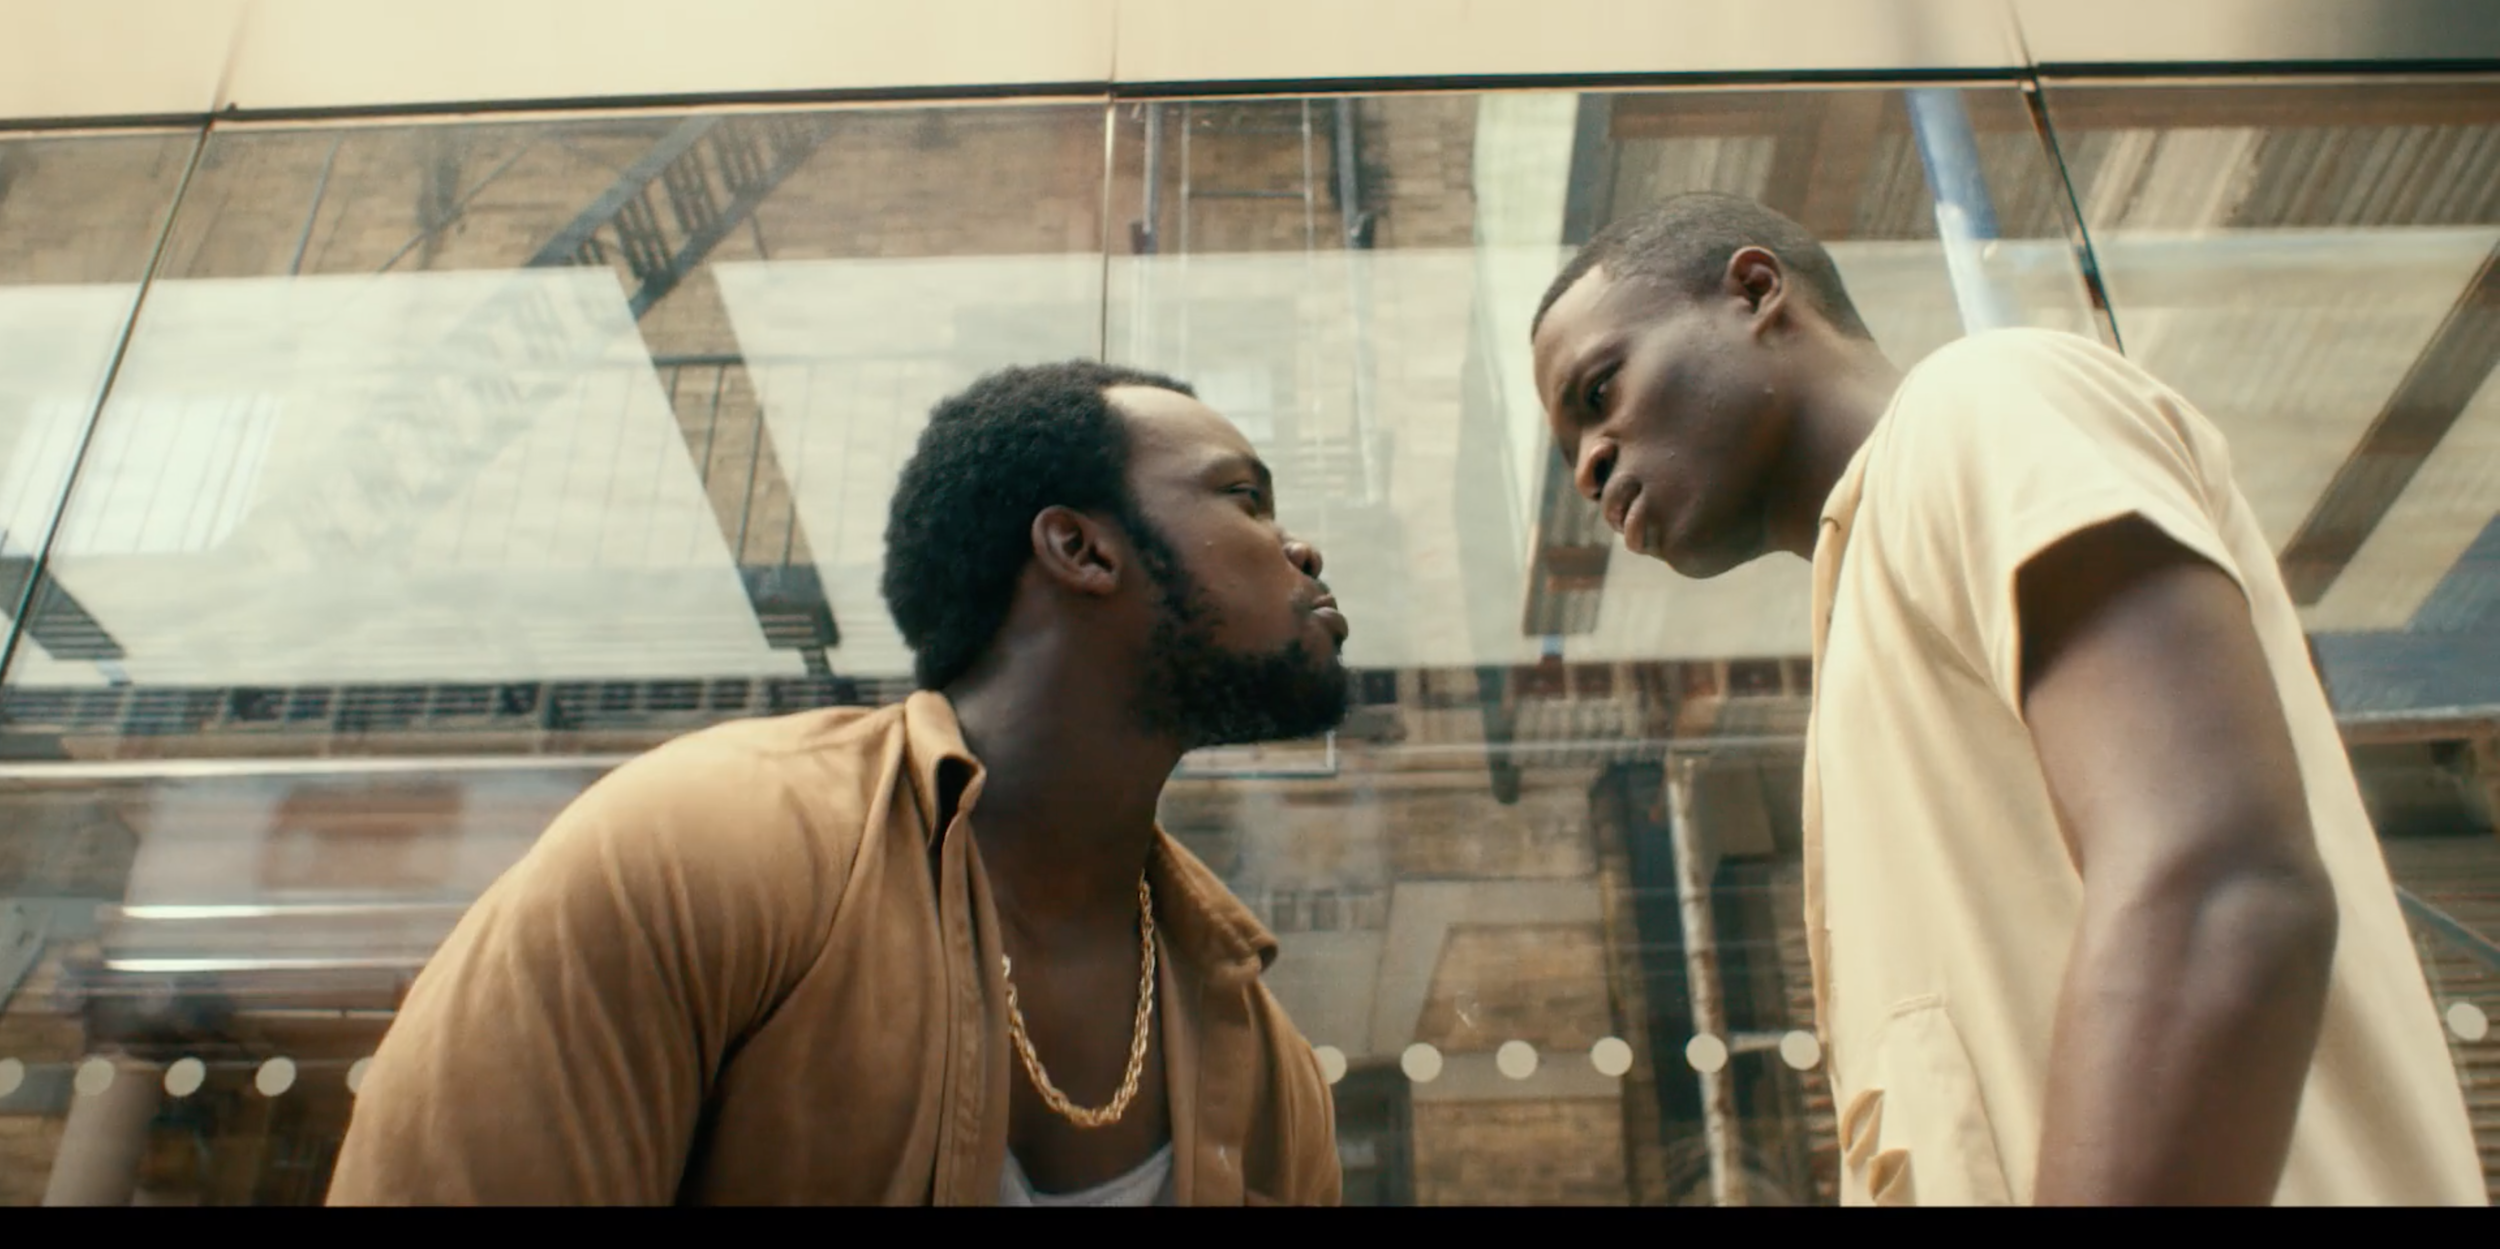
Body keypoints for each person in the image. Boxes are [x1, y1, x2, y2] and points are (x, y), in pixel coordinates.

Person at [1527, 192, 2487, 1206]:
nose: (1590, 467)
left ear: (1757, 292)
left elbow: (2216, 882)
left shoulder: (1981, 401)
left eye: (1599, 392)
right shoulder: (1864, 625)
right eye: (1568, 453)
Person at [326, 361, 1352, 1206]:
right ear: (1080, 548)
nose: (1300, 547)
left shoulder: (1264, 1065)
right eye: (1245, 498)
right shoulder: (708, 846)